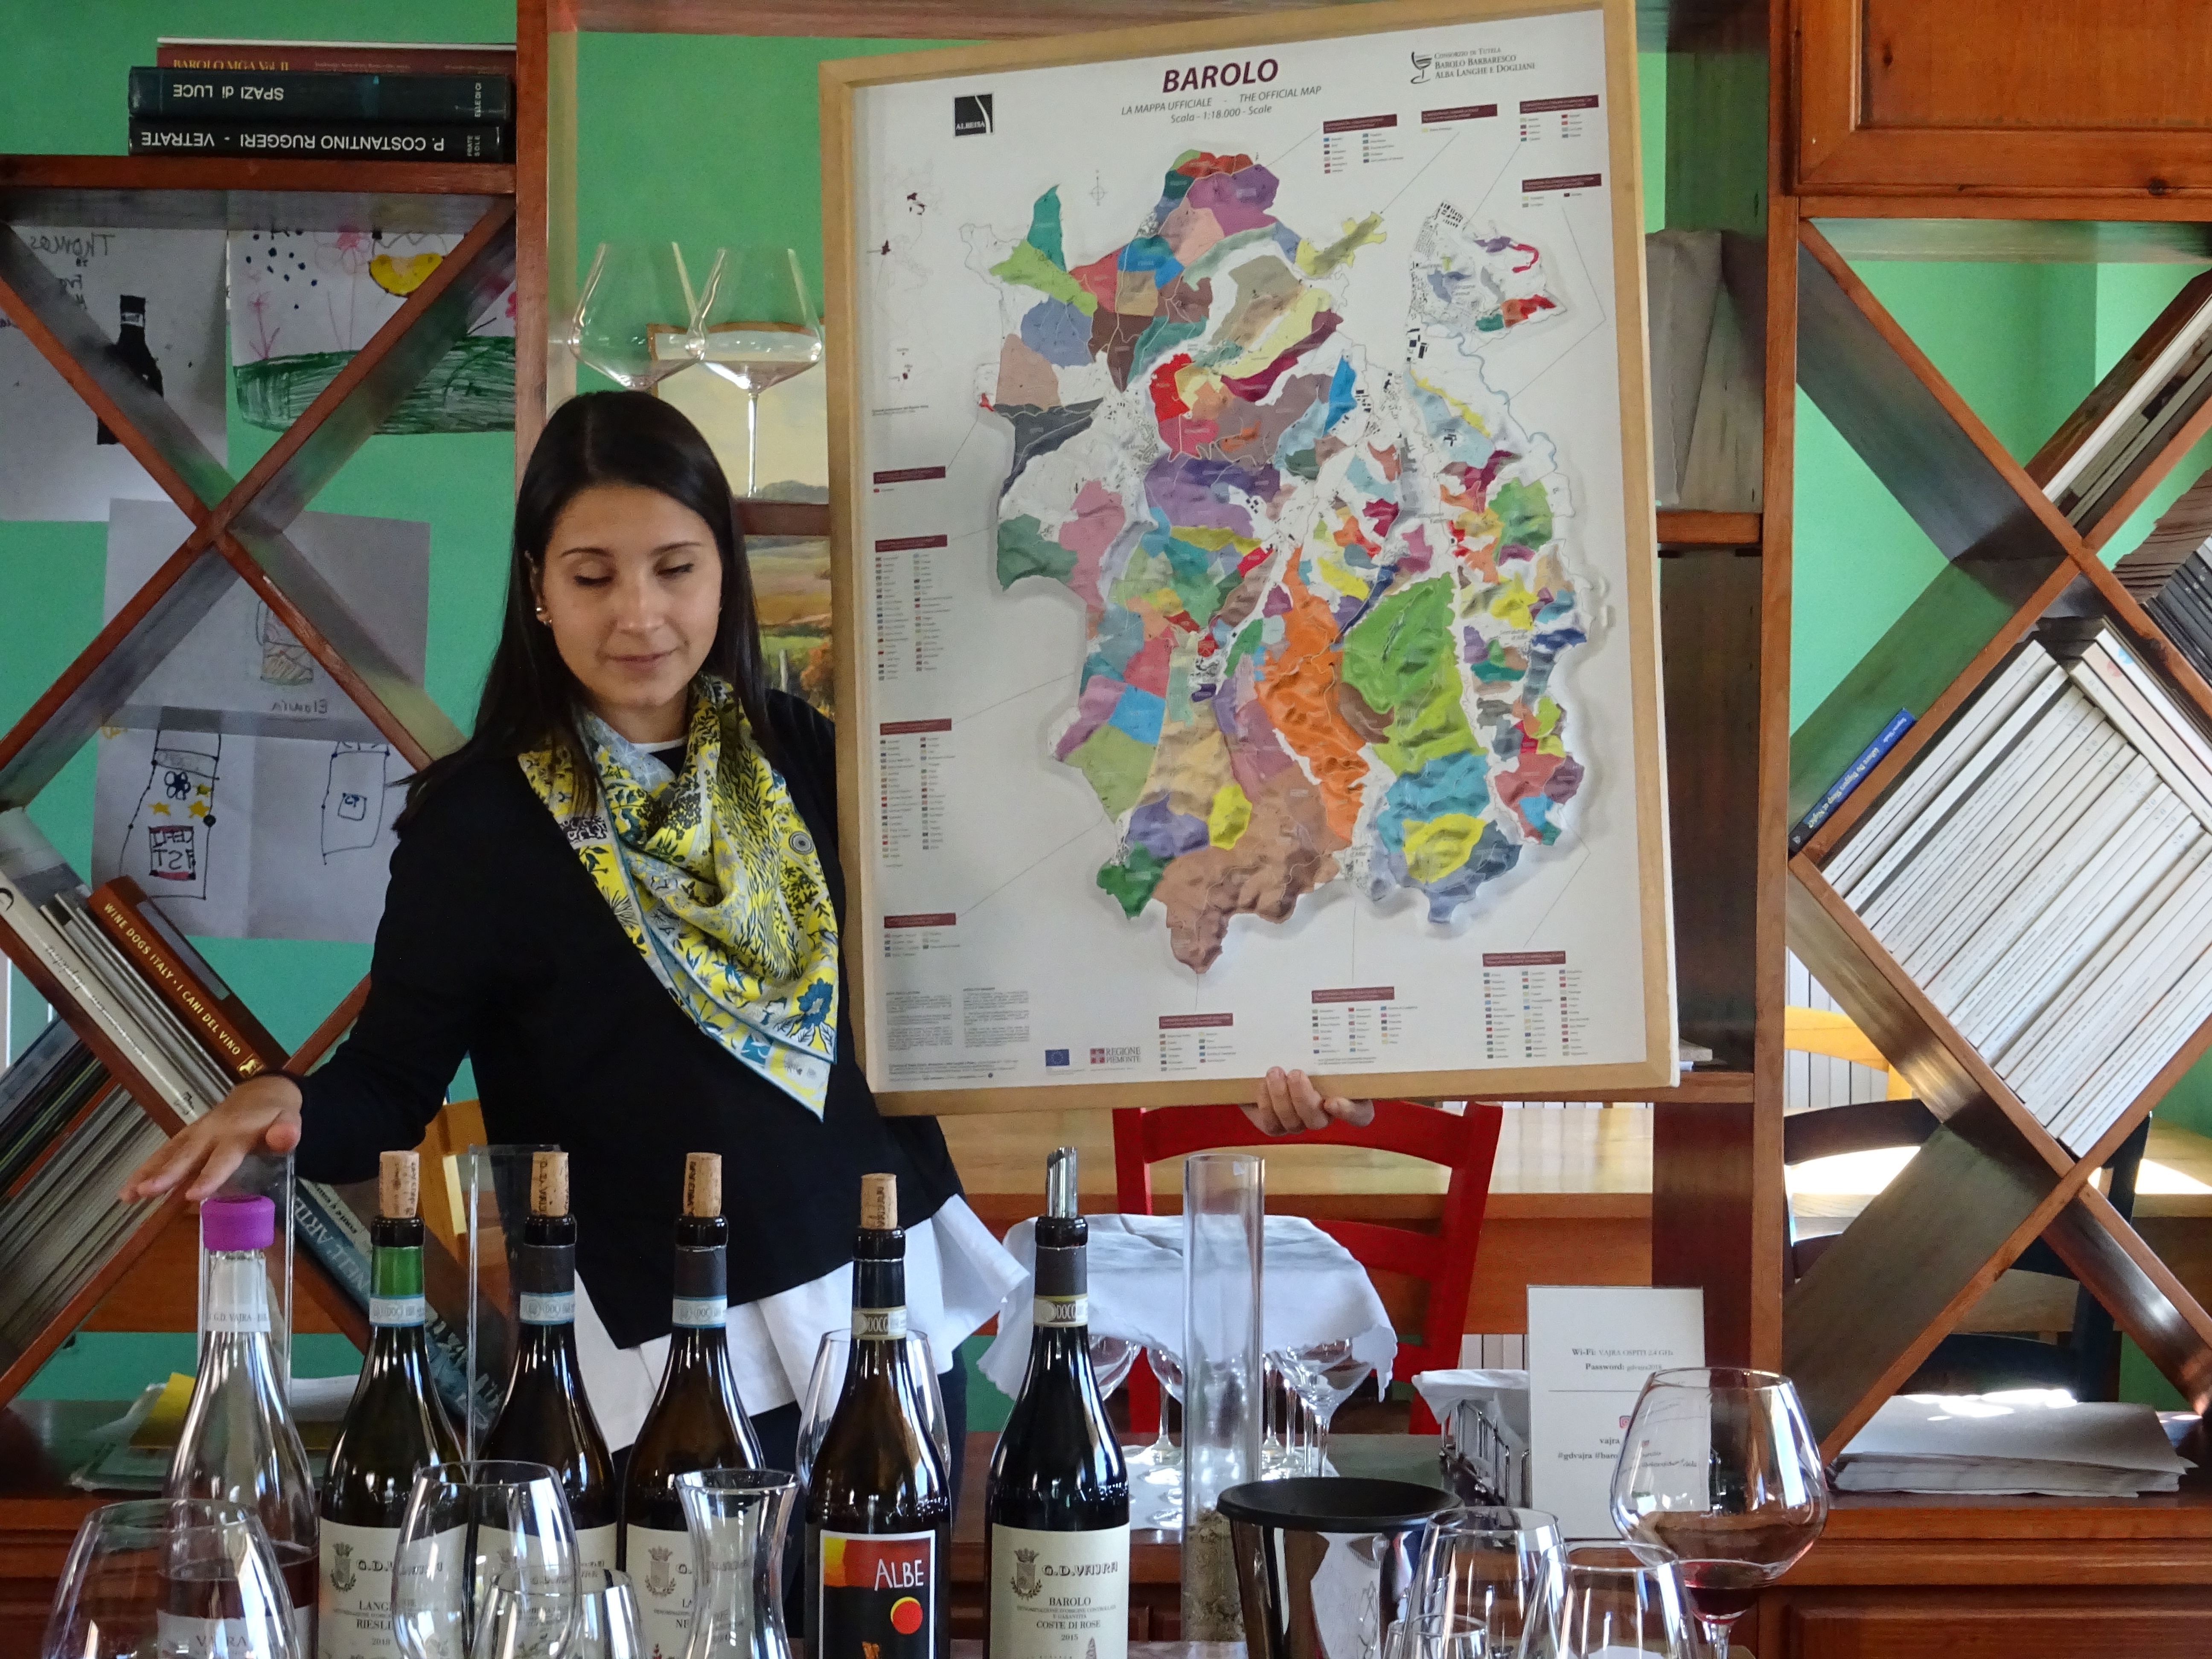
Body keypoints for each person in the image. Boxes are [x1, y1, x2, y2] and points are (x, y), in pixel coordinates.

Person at [120, 390, 1374, 1490]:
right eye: (592, 574)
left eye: (675, 567)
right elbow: (389, 1091)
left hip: (879, 1305)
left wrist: (1232, 1054)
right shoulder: (480, 822)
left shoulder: (812, 755)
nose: (640, 614)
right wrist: (280, 1097)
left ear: (721, 571)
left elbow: (1028, 958)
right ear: (538, 587)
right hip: (675, 1352)